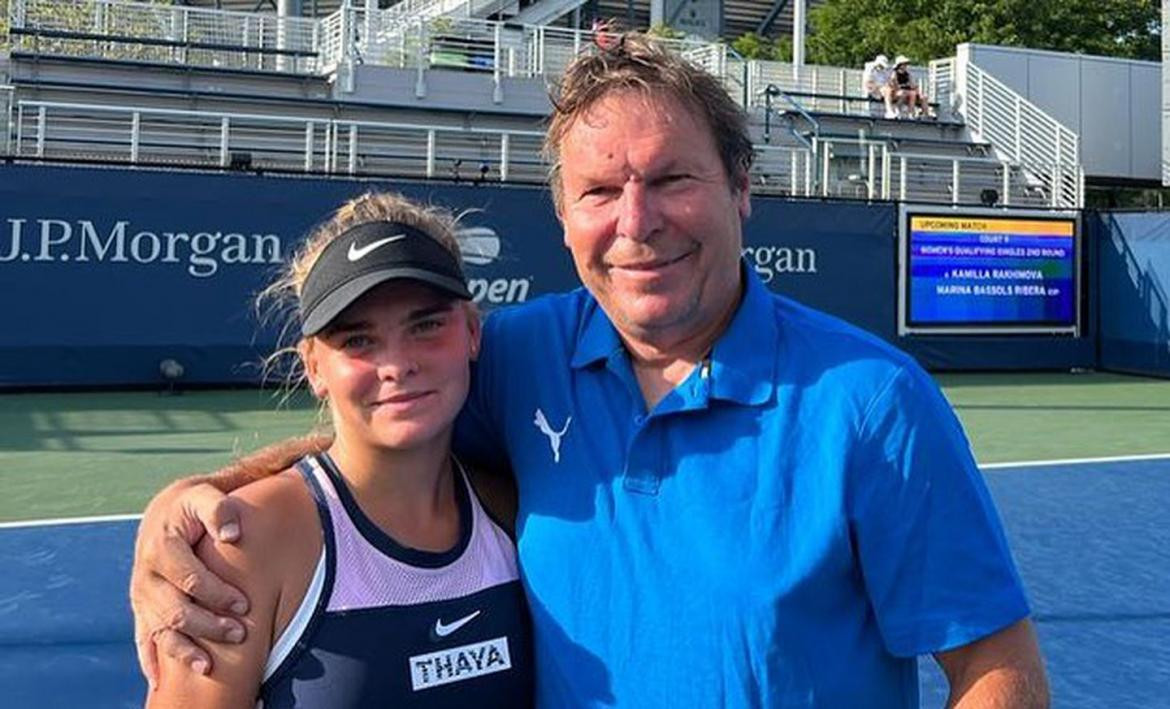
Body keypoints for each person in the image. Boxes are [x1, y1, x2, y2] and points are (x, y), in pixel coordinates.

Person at [131, 32, 1049, 707]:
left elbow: (996, 669)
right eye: (601, 192)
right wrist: (198, 496)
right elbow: (382, 428)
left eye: (673, 179)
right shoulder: (522, 355)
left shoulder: (873, 401)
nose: (637, 221)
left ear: (741, 191)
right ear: (565, 218)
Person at [144, 192, 534, 707]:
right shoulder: (246, 540)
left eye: (426, 325)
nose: (397, 364)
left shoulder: (507, 510)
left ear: (472, 332)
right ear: (313, 367)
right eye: (358, 341)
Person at [890, 54, 935, 119]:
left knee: (923, 96)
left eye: (906, 64)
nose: (905, 66)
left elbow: (913, 85)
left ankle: (925, 113)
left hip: (908, 92)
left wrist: (919, 93)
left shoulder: (907, 74)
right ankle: (910, 112)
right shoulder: (895, 73)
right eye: (904, 64)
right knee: (911, 93)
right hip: (899, 92)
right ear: (900, 65)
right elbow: (895, 85)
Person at [862, 53, 896, 118]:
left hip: (882, 90)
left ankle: (897, 111)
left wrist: (892, 80)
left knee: (894, 91)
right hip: (873, 90)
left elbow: (888, 81)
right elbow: (868, 83)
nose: (882, 67)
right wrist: (881, 86)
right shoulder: (870, 70)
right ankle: (889, 111)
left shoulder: (884, 71)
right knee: (888, 90)